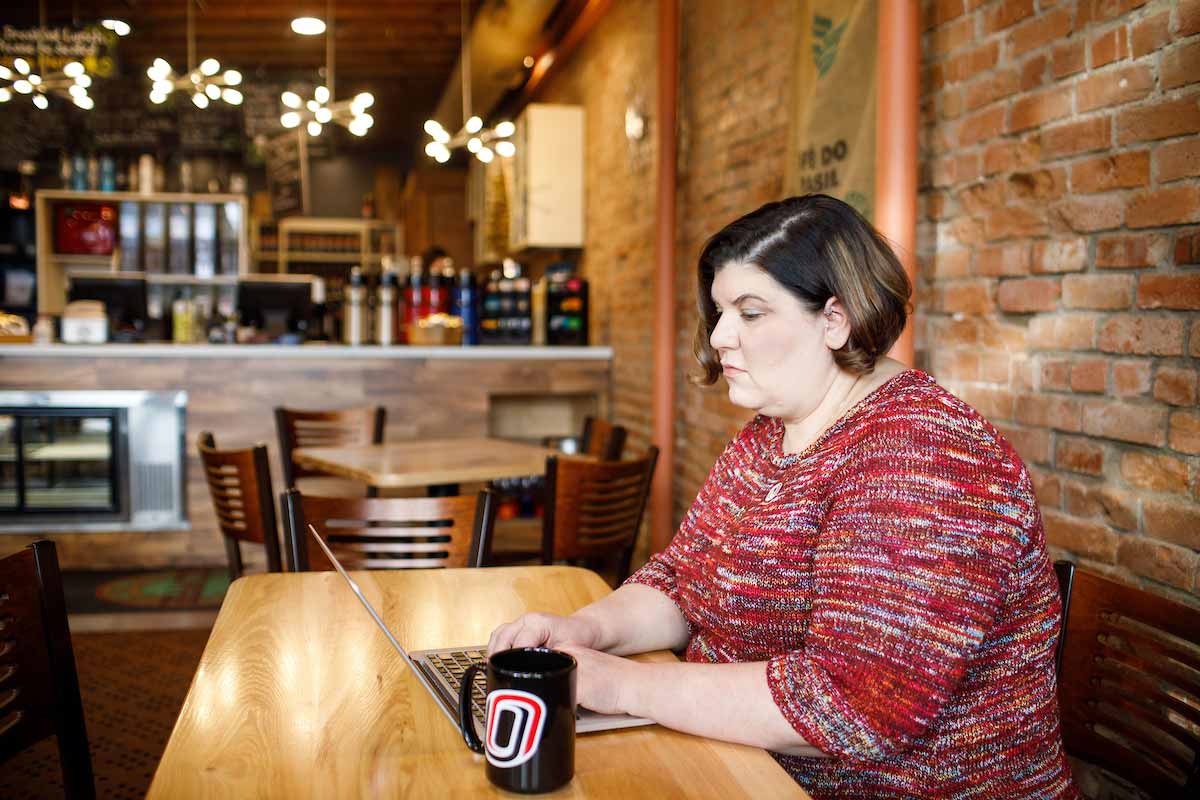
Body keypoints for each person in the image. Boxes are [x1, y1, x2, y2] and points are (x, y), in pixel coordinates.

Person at [488, 194, 1080, 798]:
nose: (719, 336)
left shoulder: (922, 455)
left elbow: (855, 709)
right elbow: (683, 579)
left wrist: (617, 687)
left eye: (750, 313)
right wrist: (584, 634)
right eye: (720, 312)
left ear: (835, 318)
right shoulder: (773, 431)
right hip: (745, 766)